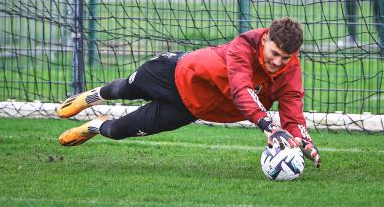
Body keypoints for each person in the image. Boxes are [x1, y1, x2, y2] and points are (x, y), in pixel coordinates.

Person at [56, 17, 321, 168]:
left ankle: (93, 126)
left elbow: (292, 109)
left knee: (116, 132)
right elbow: (241, 89)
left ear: (293, 56)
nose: (277, 62)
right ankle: (92, 97)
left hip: (188, 108)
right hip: (172, 72)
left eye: (285, 58)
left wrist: (303, 140)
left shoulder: (289, 72)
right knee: (122, 88)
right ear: (265, 40)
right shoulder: (244, 46)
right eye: (274, 54)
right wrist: (266, 124)